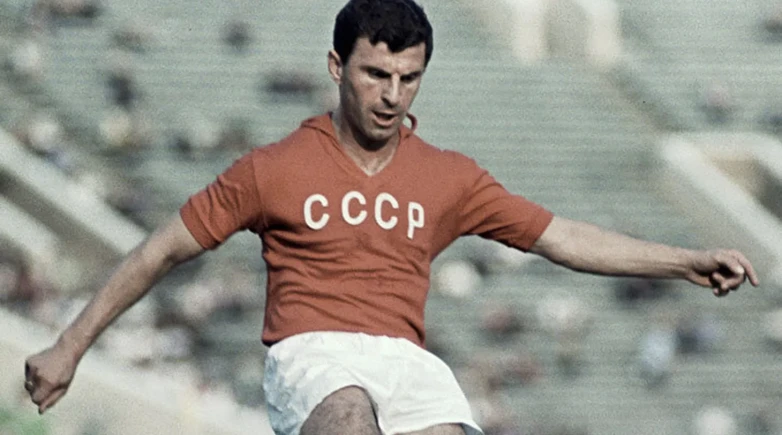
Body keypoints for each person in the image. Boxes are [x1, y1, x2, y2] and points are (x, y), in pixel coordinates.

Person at [23, 1, 760, 434]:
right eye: (376, 73)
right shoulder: (272, 168)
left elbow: (562, 237)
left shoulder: (449, 176)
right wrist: (69, 346)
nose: (392, 95)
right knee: (348, 417)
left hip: (404, 359)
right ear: (337, 67)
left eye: (409, 78)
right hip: (312, 353)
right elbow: (159, 250)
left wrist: (683, 260)